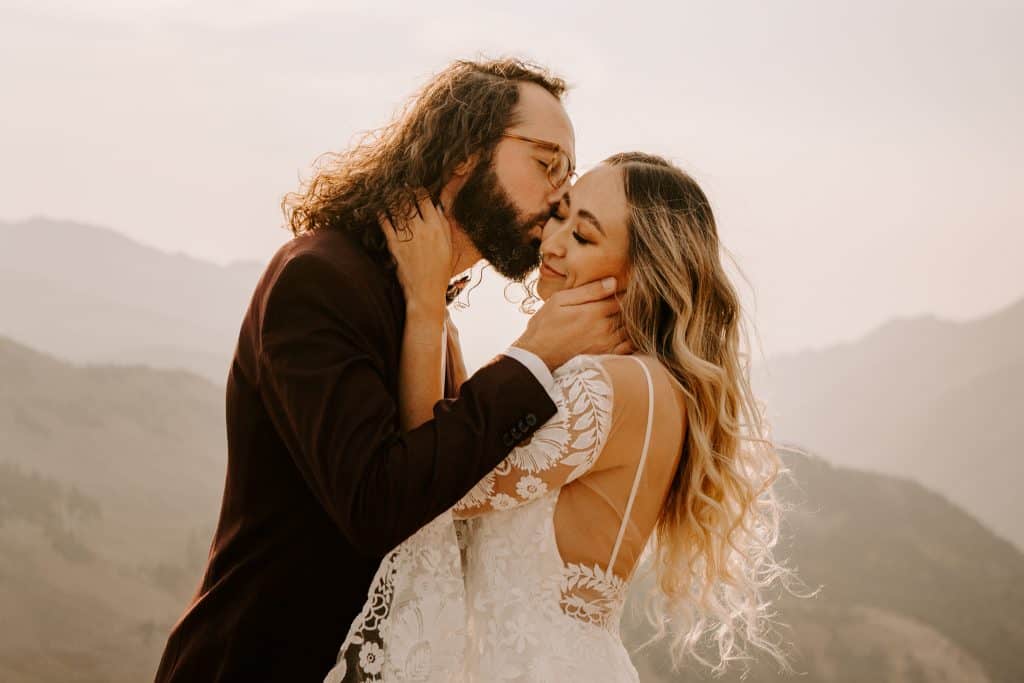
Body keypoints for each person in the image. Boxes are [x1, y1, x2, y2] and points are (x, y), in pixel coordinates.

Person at [154, 58, 632, 683]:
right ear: (464, 151)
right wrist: (533, 357)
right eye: (546, 164)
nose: (557, 198)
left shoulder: (427, 306)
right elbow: (377, 503)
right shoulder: (321, 278)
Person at [330, 153, 797, 681]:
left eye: (584, 236)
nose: (550, 244)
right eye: (561, 216)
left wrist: (425, 303)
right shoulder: (638, 380)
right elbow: (465, 429)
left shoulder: (611, 387)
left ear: (641, 272)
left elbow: (432, 475)